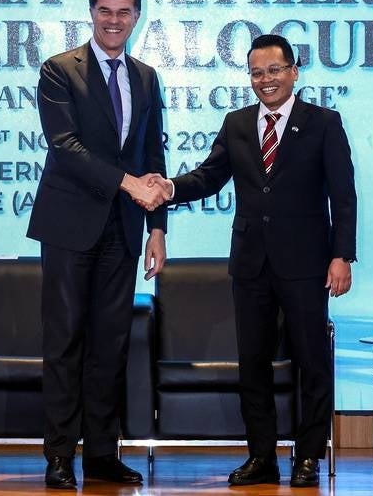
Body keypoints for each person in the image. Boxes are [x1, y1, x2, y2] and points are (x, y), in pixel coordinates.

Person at [149, 33, 356, 488]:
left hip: (306, 262)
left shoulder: (323, 122)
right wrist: (170, 188)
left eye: (275, 70)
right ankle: (261, 456)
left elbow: (343, 197)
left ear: (294, 71)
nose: (266, 80)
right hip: (251, 263)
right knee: (254, 365)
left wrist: (342, 255)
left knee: (311, 362)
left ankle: (308, 458)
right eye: (257, 72)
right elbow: (210, 176)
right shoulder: (238, 123)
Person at [26, 0, 169, 490]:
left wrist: (157, 228)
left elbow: (153, 157)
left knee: (110, 346)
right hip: (68, 226)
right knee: (65, 343)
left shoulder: (147, 77)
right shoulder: (60, 70)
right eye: (105, 11)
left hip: (124, 231)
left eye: (124, 12)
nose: (114, 21)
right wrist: (130, 184)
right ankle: (60, 457)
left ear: (137, 17)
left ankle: (103, 456)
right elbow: (65, 146)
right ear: (92, 13)